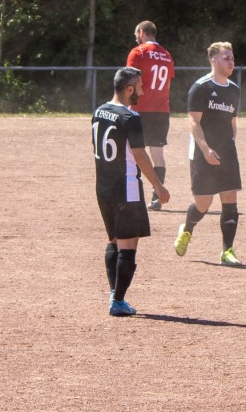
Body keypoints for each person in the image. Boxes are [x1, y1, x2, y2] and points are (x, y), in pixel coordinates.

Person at [92, 67, 170, 317]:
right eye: (140, 86)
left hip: (103, 187)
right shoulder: (130, 116)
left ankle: (114, 293)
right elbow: (139, 154)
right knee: (128, 246)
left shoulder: (99, 111)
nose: (143, 90)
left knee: (114, 241)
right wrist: (157, 185)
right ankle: (118, 300)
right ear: (128, 89)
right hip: (126, 188)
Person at [174, 42, 245, 266]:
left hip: (226, 152)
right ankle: (187, 229)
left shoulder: (234, 89)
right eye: (226, 58)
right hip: (202, 150)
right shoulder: (201, 87)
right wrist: (206, 150)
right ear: (214, 60)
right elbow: (193, 122)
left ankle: (227, 251)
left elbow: (233, 121)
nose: (231, 61)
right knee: (203, 203)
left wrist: (230, 144)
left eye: (232, 58)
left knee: (230, 199)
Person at [126, 21, 175, 211]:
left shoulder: (138, 52)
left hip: (139, 109)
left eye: (136, 33)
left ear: (142, 33)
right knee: (158, 155)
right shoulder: (167, 55)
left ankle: (133, 196)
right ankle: (157, 198)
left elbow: (129, 81)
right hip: (161, 110)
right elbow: (167, 84)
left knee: (132, 153)